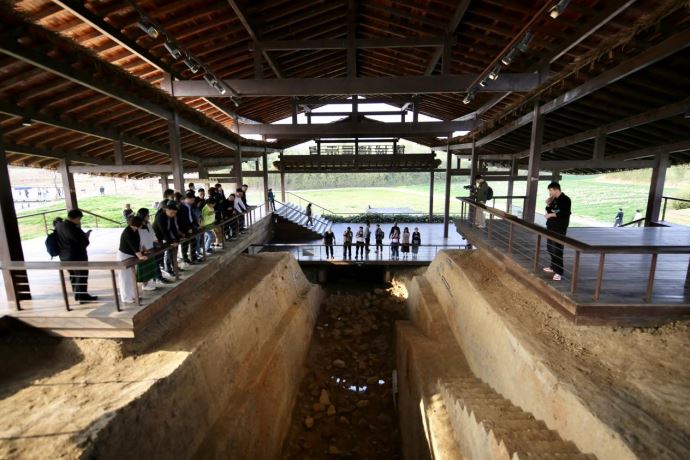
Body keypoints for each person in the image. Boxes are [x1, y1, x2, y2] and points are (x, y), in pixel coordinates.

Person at [56, 209, 97, 303]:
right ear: (77, 217)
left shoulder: (60, 225)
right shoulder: (72, 228)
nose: (80, 221)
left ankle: (78, 295)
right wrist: (86, 237)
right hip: (77, 257)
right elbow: (81, 242)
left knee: (74, 276)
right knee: (81, 276)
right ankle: (82, 297)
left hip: (64, 257)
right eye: (80, 219)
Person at [543, 182, 572, 282]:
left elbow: (564, 213)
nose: (550, 193)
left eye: (551, 190)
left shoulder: (565, 199)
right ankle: (553, 267)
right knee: (550, 247)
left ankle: (559, 272)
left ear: (556, 189)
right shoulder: (554, 199)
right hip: (551, 226)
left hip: (559, 227)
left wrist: (551, 215)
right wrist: (548, 204)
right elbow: (549, 210)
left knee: (557, 249)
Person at [117, 215, 149, 303]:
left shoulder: (135, 230)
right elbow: (133, 245)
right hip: (124, 256)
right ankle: (126, 298)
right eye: (141, 223)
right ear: (136, 224)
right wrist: (140, 256)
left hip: (131, 255)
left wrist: (142, 251)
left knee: (131, 277)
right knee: (125, 278)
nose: (142, 224)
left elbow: (137, 243)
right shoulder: (128, 232)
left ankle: (133, 295)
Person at [137, 208, 169, 287]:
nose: (148, 216)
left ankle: (156, 278)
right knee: (146, 266)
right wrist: (142, 249)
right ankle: (149, 282)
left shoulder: (148, 224)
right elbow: (139, 238)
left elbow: (152, 234)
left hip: (151, 247)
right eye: (147, 215)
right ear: (143, 215)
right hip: (143, 249)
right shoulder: (138, 226)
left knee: (155, 263)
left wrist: (157, 242)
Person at [153, 201, 180, 277]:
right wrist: (171, 242)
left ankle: (171, 268)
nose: (173, 215)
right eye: (172, 213)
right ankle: (161, 274)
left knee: (169, 253)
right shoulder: (160, 217)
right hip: (157, 238)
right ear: (166, 210)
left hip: (164, 238)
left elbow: (173, 228)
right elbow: (164, 231)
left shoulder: (171, 217)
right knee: (159, 256)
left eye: (174, 213)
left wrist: (177, 239)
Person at [177, 192, 199, 266]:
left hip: (191, 225)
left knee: (194, 241)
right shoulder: (181, 207)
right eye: (192, 200)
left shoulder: (189, 206)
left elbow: (192, 216)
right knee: (185, 243)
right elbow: (183, 219)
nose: (193, 202)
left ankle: (193, 257)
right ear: (186, 199)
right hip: (184, 227)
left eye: (193, 200)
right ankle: (185, 258)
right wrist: (188, 228)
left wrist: (197, 224)